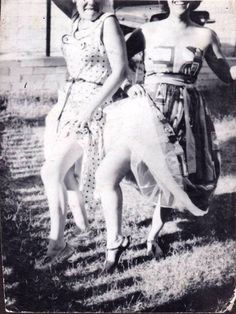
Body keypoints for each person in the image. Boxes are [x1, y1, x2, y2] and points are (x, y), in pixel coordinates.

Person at [95, 0, 236, 272]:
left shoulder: (206, 35)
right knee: (108, 173)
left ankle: (153, 237)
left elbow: (226, 74)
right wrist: (126, 84)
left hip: (185, 112)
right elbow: (114, 59)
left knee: (173, 178)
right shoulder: (147, 31)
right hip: (145, 110)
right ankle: (114, 243)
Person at [37, 0, 128, 269]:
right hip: (68, 105)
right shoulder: (76, 23)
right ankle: (82, 227)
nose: (91, 1)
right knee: (61, 172)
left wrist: (90, 109)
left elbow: (120, 71)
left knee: (51, 171)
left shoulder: (107, 22)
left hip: (94, 108)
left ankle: (58, 245)